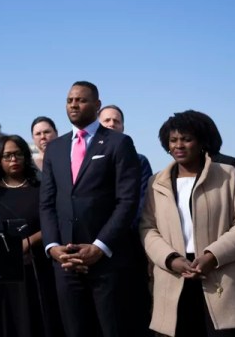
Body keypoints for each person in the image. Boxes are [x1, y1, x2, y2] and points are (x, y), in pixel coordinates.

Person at [140, 110, 235, 336]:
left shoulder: (228, 175)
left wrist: (212, 256)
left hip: (221, 274)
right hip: (174, 275)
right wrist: (171, 259)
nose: (179, 145)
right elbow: (147, 228)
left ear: (202, 141)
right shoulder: (156, 182)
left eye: (186, 139)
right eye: (173, 140)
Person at [39, 81, 141, 337]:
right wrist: (53, 247)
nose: (74, 104)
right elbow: (47, 202)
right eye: (70, 100)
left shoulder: (119, 143)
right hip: (66, 263)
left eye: (81, 100)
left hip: (107, 262)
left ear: (97, 105)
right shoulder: (55, 147)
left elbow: (127, 201)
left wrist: (99, 247)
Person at [0, 135, 64, 337]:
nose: (13, 160)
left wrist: (28, 242)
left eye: (18, 154)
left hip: (36, 267)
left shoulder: (40, 189)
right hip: (2, 272)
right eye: (7, 156)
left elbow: (53, 222)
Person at [98, 104, 152, 336]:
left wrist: (116, 232)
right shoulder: (90, 162)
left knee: (134, 309)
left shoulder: (139, 160)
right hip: (96, 246)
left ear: (123, 126)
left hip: (129, 243)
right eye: (106, 120)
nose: (111, 124)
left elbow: (141, 202)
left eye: (116, 121)